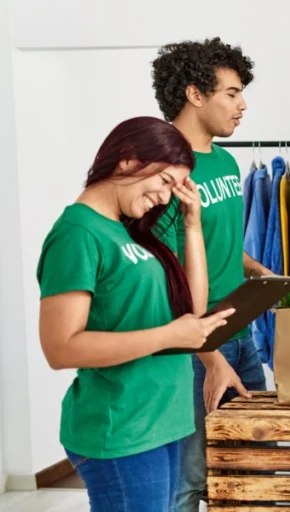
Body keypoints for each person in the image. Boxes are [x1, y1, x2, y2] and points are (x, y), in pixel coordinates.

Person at [36, 116, 236, 512]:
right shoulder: (78, 232)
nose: (165, 198)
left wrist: (193, 224)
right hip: (122, 427)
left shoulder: (131, 229)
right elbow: (60, 348)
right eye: (164, 182)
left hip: (164, 418)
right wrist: (168, 337)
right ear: (127, 161)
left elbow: (191, 312)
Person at [151, 37, 270, 512]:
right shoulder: (162, 170)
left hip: (239, 329)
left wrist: (256, 269)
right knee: (191, 480)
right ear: (195, 95)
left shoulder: (224, 161)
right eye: (232, 92)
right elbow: (163, 271)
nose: (243, 105)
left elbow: (208, 241)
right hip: (192, 347)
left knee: (251, 462)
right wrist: (209, 356)